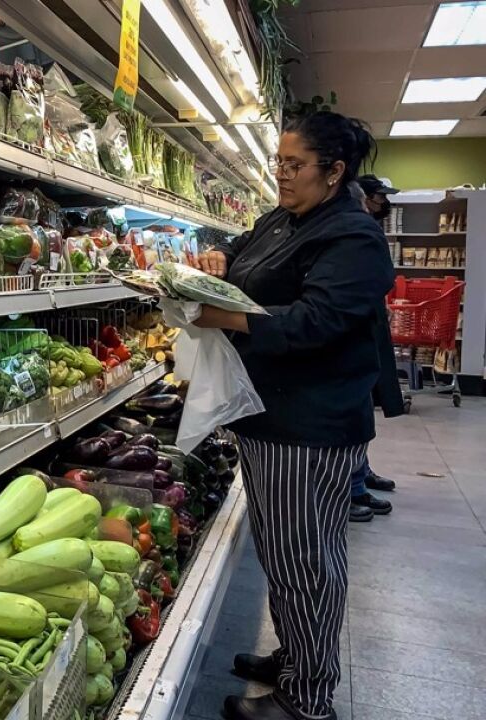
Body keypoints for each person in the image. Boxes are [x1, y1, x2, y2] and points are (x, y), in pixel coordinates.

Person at [193, 111, 396, 720]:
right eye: (278, 162)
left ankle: (307, 699)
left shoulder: (353, 238)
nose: (281, 174)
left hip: (308, 427)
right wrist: (217, 257)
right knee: (284, 554)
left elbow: (316, 322)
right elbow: (242, 246)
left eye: (294, 164)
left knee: (306, 562)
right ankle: (296, 657)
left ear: (334, 172)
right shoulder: (284, 218)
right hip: (271, 419)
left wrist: (224, 317)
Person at [346, 175, 403, 521]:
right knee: (354, 410)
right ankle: (352, 487)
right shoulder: (353, 229)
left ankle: (361, 473)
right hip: (351, 333)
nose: (384, 203)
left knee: (363, 407)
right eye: (380, 196)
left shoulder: (365, 228)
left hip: (367, 326)